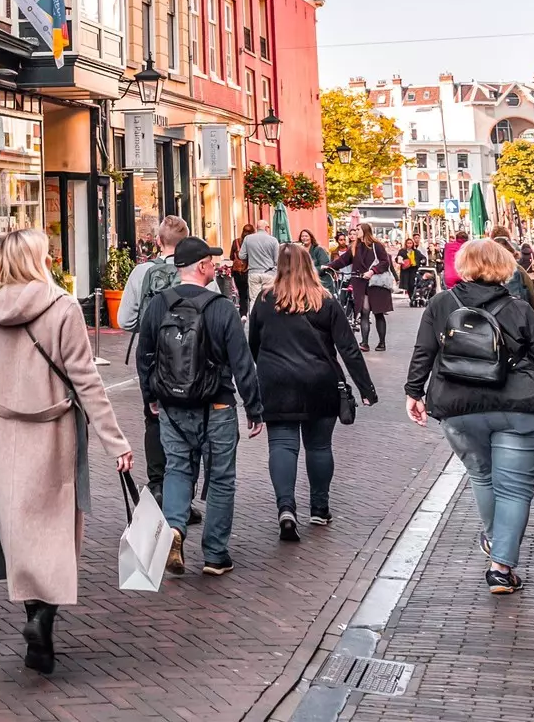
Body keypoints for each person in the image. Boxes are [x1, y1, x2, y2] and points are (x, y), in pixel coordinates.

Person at [0, 229, 131, 675]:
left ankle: (32, 616)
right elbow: (87, 380)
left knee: (16, 527)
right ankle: (44, 617)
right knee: (54, 528)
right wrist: (117, 441)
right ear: (39, 259)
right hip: (52, 427)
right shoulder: (62, 307)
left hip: (2, 429)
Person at [405, 239, 534, 595]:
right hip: (519, 406)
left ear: (464, 265)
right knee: (514, 490)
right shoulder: (517, 308)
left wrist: (414, 393)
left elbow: (423, 351)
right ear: (505, 266)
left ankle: (493, 538)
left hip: (458, 407)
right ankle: (501, 568)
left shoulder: (441, 303)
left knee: (482, 476)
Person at [137, 235, 263, 577]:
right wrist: (254, 409)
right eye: (211, 261)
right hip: (218, 406)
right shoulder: (221, 308)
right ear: (203, 267)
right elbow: (242, 363)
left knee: (178, 470)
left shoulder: (159, 305)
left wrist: (150, 397)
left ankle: (175, 528)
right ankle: (215, 555)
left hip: (172, 407)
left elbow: (144, 356)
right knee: (221, 479)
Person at [247, 243, 376, 541]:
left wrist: (261, 373)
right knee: (319, 447)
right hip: (320, 382)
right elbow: (348, 349)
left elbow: (253, 343)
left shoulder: (265, 301)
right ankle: (319, 508)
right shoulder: (325, 301)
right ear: (310, 266)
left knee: (281, 444)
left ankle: (286, 508)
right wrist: (366, 388)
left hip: (277, 383)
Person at [116, 216, 189, 498]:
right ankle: (182, 490)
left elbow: (125, 319)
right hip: (189, 355)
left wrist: (148, 326)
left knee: (153, 416)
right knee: (189, 418)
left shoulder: (141, 272)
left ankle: (157, 484)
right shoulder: (195, 269)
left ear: (158, 241)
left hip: (152, 354)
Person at [331, 225, 392, 352]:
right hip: (361, 283)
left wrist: (372, 271)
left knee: (379, 313)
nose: (355, 232)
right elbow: (343, 261)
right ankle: (365, 343)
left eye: (358, 230)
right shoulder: (355, 247)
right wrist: (329, 266)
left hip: (376, 284)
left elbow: (385, 262)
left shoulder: (376, 246)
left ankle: (382, 343)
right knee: (364, 312)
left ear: (365, 231)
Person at [237, 221, 280, 308]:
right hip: (269, 273)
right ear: (267, 228)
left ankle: (254, 319)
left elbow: (241, 256)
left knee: (254, 299)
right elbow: (277, 260)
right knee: (269, 298)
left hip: (253, 272)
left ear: (257, 228)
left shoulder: (248, 239)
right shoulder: (273, 240)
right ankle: (267, 319)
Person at [226, 226, 253, 314]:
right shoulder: (252, 243)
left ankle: (243, 314)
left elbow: (231, 257)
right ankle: (252, 313)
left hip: (237, 271)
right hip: (249, 270)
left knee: (242, 294)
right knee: (252, 294)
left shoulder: (236, 242)